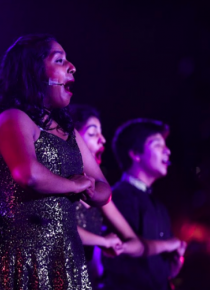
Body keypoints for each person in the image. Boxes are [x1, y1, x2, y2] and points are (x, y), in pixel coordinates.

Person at [0, 34, 111, 290]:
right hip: (15, 253)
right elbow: (28, 173)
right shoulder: (13, 118)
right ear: (33, 70)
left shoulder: (69, 133)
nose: (72, 67)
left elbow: (103, 187)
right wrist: (75, 185)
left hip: (63, 254)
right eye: (60, 60)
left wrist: (89, 187)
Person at [102, 119, 186, 290]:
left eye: (166, 145)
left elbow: (159, 269)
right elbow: (117, 261)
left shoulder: (158, 205)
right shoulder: (118, 198)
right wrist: (170, 244)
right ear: (135, 153)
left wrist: (173, 268)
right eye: (157, 145)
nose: (167, 151)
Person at [69, 105, 144, 289]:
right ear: (75, 137)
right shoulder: (60, 181)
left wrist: (118, 247)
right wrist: (103, 241)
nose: (103, 139)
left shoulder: (100, 192)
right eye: (93, 133)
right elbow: (59, 227)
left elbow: (137, 245)